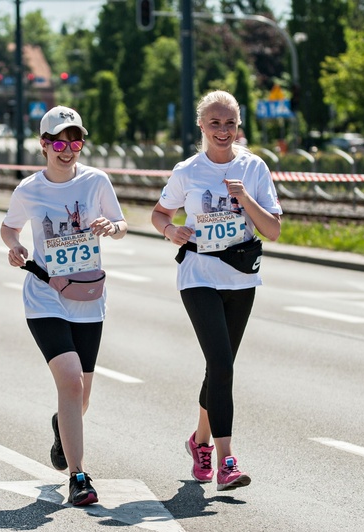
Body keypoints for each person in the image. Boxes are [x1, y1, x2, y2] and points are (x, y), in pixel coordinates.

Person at [150, 90, 282, 491]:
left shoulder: (254, 168)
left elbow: (273, 230)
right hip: (199, 277)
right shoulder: (187, 171)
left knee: (217, 368)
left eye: (229, 123)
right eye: (214, 123)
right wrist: (171, 230)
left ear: (238, 126)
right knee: (223, 366)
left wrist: (245, 200)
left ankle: (199, 441)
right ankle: (227, 461)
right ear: (201, 127)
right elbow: (159, 214)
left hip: (241, 278)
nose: (223, 131)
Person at [0, 105, 128, 506]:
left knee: (81, 396)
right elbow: (8, 227)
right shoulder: (29, 189)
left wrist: (113, 227)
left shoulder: (96, 182)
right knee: (70, 381)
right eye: (58, 141)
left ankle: (62, 426)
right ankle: (79, 477)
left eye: (75, 140)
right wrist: (15, 245)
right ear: (43, 145)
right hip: (45, 296)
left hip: (89, 298)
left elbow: (121, 225)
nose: (67, 148)